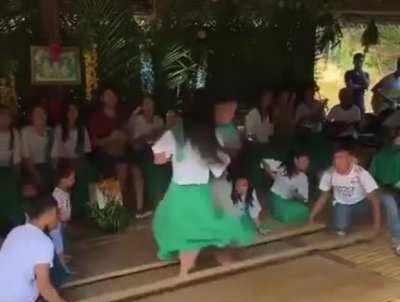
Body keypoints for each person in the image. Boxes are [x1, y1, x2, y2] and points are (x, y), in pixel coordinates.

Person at [152, 90, 256, 277]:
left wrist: (173, 155)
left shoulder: (175, 133)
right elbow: (220, 165)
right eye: (228, 111)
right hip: (200, 192)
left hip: (179, 192)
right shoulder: (210, 135)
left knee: (188, 232)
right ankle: (215, 264)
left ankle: (186, 271)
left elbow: (158, 158)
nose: (231, 115)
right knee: (216, 229)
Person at [0, 195, 76, 302]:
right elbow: (43, 286)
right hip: (17, 299)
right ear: (51, 212)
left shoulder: (15, 231)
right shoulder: (44, 242)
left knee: (18, 274)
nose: (58, 217)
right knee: (44, 281)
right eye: (57, 213)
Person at [309, 143, 381, 235]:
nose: (337, 161)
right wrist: (312, 216)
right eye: (336, 158)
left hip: (361, 204)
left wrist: (376, 226)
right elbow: (323, 197)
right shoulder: (328, 174)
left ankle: (350, 219)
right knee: (340, 228)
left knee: (383, 201)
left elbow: (375, 200)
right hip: (343, 204)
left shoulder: (361, 173)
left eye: (341, 157)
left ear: (350, 159)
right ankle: (343, 221)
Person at [55, 102, 96, 217]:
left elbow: (86, 151)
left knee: (91, 174)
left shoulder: (82, 129)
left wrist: (80, 161)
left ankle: (90, 210)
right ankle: (72, 212)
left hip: (80, 161)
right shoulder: (60, 129)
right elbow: (59, 152)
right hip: (65, 162)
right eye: (70, 111)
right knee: (70, 176)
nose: (72, 113)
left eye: (75, 111)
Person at [89, 87, 129, 201]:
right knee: (106, 165)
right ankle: (108, 206)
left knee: (123, 165)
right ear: (102, 99)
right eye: (108, 96)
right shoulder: (96, 118)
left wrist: (122, 137)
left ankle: (119, 203)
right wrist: (109, 139)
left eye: (113, 96)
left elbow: (127, 136)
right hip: (102, 152)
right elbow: (94, 142)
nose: (111, 98)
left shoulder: (121, 116)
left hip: (120, 152)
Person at [128, 95, 165, 217]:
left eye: (151, 104)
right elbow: (131, 134)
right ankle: (140, 208)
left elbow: (161, 136)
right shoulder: (137, 119)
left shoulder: (159, 120)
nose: (148, 107)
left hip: (155, 151)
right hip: (138, 152)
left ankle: (156, 204)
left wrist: (150, 136)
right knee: (138, 169)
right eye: (146, 104)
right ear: (142, 107)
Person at [370, 127, 400, 254]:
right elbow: (374, 178)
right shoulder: (382, 154)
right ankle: (397, 239)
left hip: (393, 189)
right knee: (391, 205)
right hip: (384, 190)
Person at [263, 151, 310, 224]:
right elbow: (264, 161)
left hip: (289, 200)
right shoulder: (283, 167)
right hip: (276, 198)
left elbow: (304, 198)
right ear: (295, 160)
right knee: (287, 216)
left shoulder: (303, 178)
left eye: (307, 161)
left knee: (305, 211)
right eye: (304, 160)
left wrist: (295, 194)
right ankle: (275, 211)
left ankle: (278, 211)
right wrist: (272, 175)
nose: (306, 163)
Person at [21, 105, 58, 191]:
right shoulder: (25, 132)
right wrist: (35, 174)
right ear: (32, 118)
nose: (40, 116)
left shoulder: (51, 133)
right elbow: (26, 158)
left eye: (43, 113)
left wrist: (54, 174)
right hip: (30, 167)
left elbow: (54, 159)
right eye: (37, 114)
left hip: (47, 166)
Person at [49, 163, 76, 272]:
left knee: (63, 244)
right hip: (57, 225)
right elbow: (57, 211)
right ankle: (63, 268)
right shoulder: (56, 194)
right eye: (71, 178)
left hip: (62, 224)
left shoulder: (64, 192)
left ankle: (62, 259)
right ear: (62, 180)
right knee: (59, 245)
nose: (73, 180)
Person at [0, 104, 22, 233]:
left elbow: (16, 160)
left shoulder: (14, 134)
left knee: (10, 191)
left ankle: (12, 226)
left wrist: (17, 178)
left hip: (8, 171)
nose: (3, 119)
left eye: (6, 116)